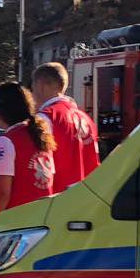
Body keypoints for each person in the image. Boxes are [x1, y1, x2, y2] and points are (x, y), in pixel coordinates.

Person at [30, 62, 99, 191]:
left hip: (58, 199)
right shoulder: (86, 119)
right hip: (87, 197)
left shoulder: (45, 118)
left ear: (40, 86)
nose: (32, 95)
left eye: (32, 89)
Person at [0, 81, 57, 211]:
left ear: (1, 110)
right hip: (42, 216)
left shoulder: (5, 142)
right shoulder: (41, 134)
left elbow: (2, 194)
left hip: (16, 221)